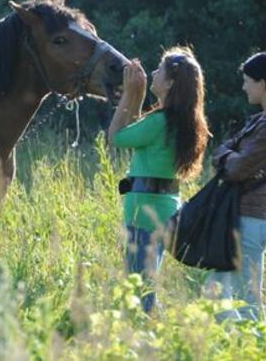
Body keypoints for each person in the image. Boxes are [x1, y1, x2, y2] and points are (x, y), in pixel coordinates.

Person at [108, 47, 210, 313]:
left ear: (170, 83)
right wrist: (138, 95)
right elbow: (135, 133)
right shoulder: (185, 120)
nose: (153, 73)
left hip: (144, 212)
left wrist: (130, 95)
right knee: (146, 282)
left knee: (142, 291)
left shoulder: (161, 121)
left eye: (159, 70)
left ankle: (156, 344)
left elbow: (117, 137)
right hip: (167, 209)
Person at [207, 51, 266, 322]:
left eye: (247, 80)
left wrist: (223, 154)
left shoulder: (264, 125)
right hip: (249, 216)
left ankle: (252, 348)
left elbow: (238, 168)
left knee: (245, 298)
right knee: (218, 293)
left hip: (252, 217)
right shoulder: (257, 121)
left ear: (262, 83)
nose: (243, 87)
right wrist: (229, 153)